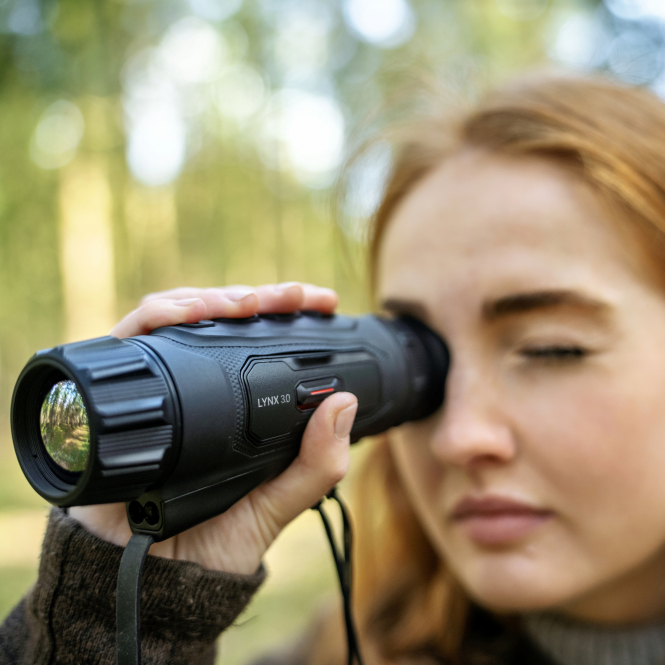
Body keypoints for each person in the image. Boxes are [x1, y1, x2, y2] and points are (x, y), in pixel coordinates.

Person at [4, 72, 665, 665]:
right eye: (421, 363)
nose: (458, 436)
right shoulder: (346, 648)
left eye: (551, 348)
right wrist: (123, 606)